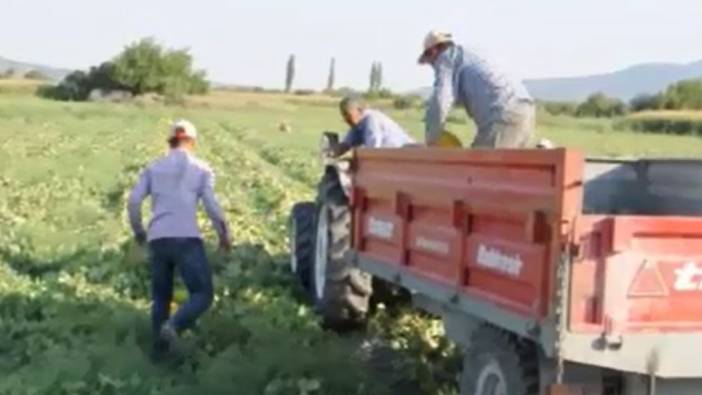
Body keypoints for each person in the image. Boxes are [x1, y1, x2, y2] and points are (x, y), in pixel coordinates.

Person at [127, 119, 231, 358]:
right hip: (187, 238)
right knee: (202, 294)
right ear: (192, 142)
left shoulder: (153, 168)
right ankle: (173, 326)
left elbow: (133, 202)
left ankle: (158, 355)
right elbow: (212, 207)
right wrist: (223, 235)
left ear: (170, 142)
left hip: (158, 239)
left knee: (161, 298)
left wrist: (140, 233)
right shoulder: (202, 169)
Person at [419, 30, 535, 149]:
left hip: (503, 113)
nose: (433, 66)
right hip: (525, 108)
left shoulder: (446, 58)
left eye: (430, 61)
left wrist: (431, 139)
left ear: (433, 51)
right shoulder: (471, 53)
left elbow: (441, 100)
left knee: (478, 165)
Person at [326, 96, 415, 157]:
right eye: (343, 115)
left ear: (359, 110)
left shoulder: (372, 120)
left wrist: (350, 154)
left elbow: (372, 151)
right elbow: (347, 144)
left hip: (405, 155)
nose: (345, 119)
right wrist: (334, 150)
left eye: (347, 115)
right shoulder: (357, 124)